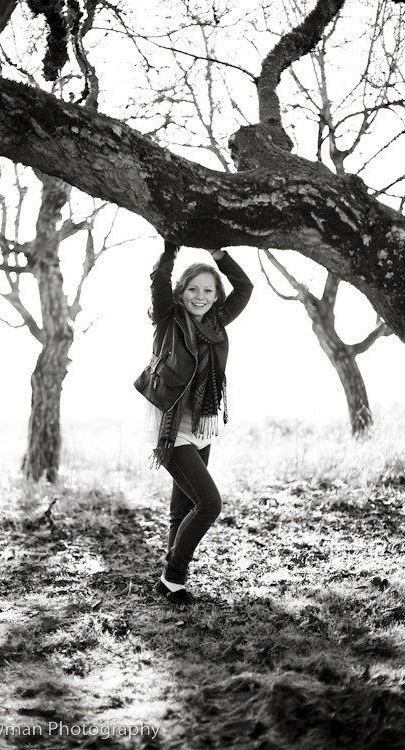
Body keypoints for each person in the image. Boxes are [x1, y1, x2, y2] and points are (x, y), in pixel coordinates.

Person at [134, 240, 253, 604]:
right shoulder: (167, 318)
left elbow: (245, 287)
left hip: (202, 423)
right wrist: (171, 247)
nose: (200, 296)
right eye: (193, 289)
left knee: (183, 508)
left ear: (217, 296)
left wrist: (218, 253)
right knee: (209, 504)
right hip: (170, 424)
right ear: (181, 292)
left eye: (208, 290)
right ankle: (172, 576)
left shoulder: (217, 322)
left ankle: (173, 585)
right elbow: (159, 279)